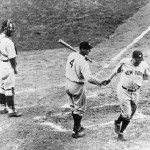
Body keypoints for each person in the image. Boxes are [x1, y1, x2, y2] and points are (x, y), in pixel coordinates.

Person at [102, 50, 150, 141]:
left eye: (140, 60)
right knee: (127, 114)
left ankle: (117, 122)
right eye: (137, 60)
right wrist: (109, 79)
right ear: (133, 59)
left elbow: (147, 76)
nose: (139, 62)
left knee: (130, 113)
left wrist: (140, 81)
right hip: (123, 90)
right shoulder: (124, 62)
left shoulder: (144, 65)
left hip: (136, 92)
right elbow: (115, 71)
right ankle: (121, 133)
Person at [65, 41, 103, 138]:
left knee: (74, 107)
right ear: (82, 49)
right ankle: (76, 131)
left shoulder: (72, 54)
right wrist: (99, 82)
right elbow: (89, 78)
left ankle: (77, 126)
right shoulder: (82, 62)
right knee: (79, 109)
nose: (89, 50)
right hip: (77, 86)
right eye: (88, 49)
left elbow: (77, 59)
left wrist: (83, 58)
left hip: (68, 84)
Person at [0, 19, 22, 117]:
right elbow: (12, 58)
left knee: (1, 87)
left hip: (1, 64)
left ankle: (2, 108)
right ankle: (11, 111)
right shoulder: (8, 42)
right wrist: (14, 68)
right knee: (9, 88)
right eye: (11, 29)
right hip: (7, 66)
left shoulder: (0, 37)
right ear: (6, 29)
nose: (12, 31)